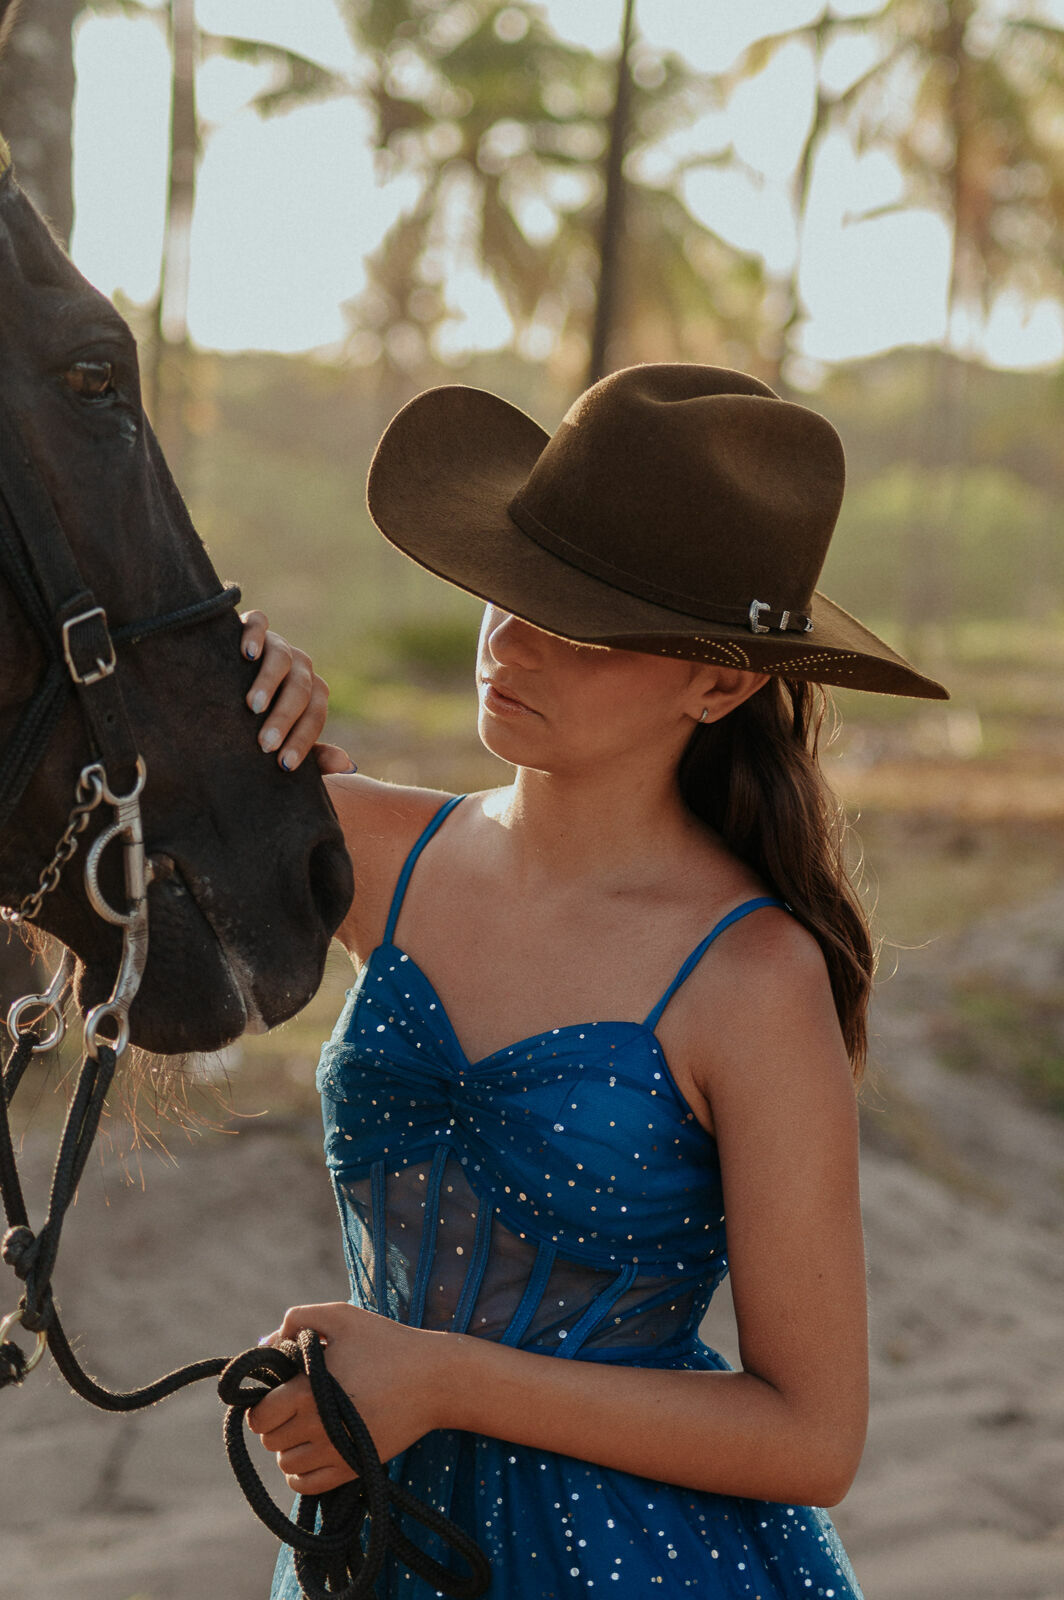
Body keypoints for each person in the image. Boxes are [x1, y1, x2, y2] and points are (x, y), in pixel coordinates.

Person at [239, 364, 947, 1599]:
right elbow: (72, 868)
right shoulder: (361, 848)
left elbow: (812, 1436)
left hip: (638, 1564)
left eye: (578, 621)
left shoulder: (751, 977)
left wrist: (442, 1379)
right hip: (373, 1543)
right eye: (509, 589)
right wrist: (215, 702)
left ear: (718, 680)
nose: (509, 639)